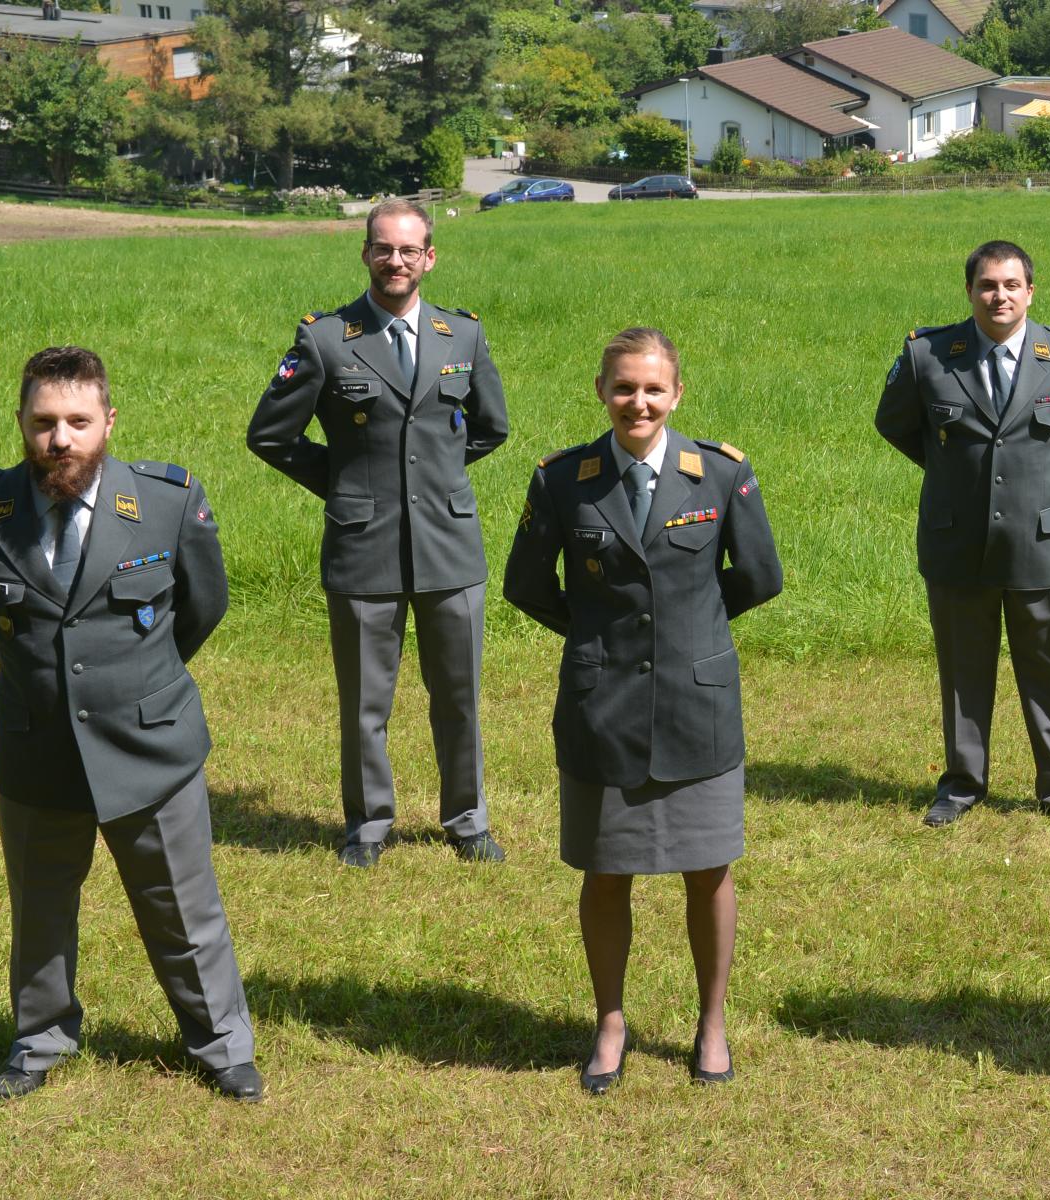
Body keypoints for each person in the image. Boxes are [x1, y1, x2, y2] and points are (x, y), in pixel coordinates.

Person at [0, 346, 264, 1105]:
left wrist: (136, 683)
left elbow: (201, 607)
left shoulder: (166, 502)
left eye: (79, 422)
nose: (61, 439)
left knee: (183, 906)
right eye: (45, 422)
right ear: (20, 422)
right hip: (37, 746)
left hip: (150, 743)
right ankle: (40, 1039)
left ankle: (221, 1044)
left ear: (108, 422)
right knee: (41, 907)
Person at [505, 327, 782, 1093]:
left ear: (677, 394)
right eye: (624, 387)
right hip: (604, 709)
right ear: (601, 390)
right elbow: (526, 584)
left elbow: (758, 576)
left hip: (699, 708)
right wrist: (599, 635)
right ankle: (610, 1021)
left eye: (654, 388)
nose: (639, 402)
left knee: (709, 871)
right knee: (605, 873)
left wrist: (693, 631)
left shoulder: (720, 475)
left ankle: (712, 1022)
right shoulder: (565, 480)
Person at [247, 198, 512, 868]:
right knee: (366, 702)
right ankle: (367, 825)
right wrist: (344, 483)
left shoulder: (464, 336)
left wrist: (436, 476)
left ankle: (467, 820)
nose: (396, 262)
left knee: (459, 697)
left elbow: (491, 426)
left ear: (429, 257)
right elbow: (271, 435)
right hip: (363, 544)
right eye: (383, 249)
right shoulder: (326, 339)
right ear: (365, 253)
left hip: (448, 546)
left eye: (409, 250)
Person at [873, 240, 1050, 827]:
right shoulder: (929, 355)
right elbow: (896, 423)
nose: (998, 295)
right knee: (962, 669)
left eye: (1010, 285)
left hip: (1040, 541)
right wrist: (957, 474)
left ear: (1031, 291)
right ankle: (961, 784)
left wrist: (1032, 479)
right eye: (986, 285)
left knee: (1046, 670)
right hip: (957, 540)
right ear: (970, 292)